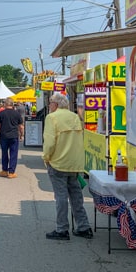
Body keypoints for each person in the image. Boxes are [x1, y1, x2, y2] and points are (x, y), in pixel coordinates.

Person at [42, 92, 92, 240]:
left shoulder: (52, 117)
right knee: (76, 196)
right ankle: (83, 226)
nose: (49, 104)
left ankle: (62, 229)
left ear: (55, 104)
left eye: (51, 102)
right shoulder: (75, 117)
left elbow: (50, 142)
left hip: (58, 162)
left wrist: (46, 158)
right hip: (74, 163)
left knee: (61, 197)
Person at [0, 98, 23, 178]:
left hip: (4, 136)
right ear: (12, 104)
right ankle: (11, 172)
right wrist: (21, 134)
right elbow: (21, 126)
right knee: (13, 154)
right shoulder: (17, 114)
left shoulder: (1, 114)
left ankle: (4, 170)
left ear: (5, 104)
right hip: (14, 136)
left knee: (4, 153)